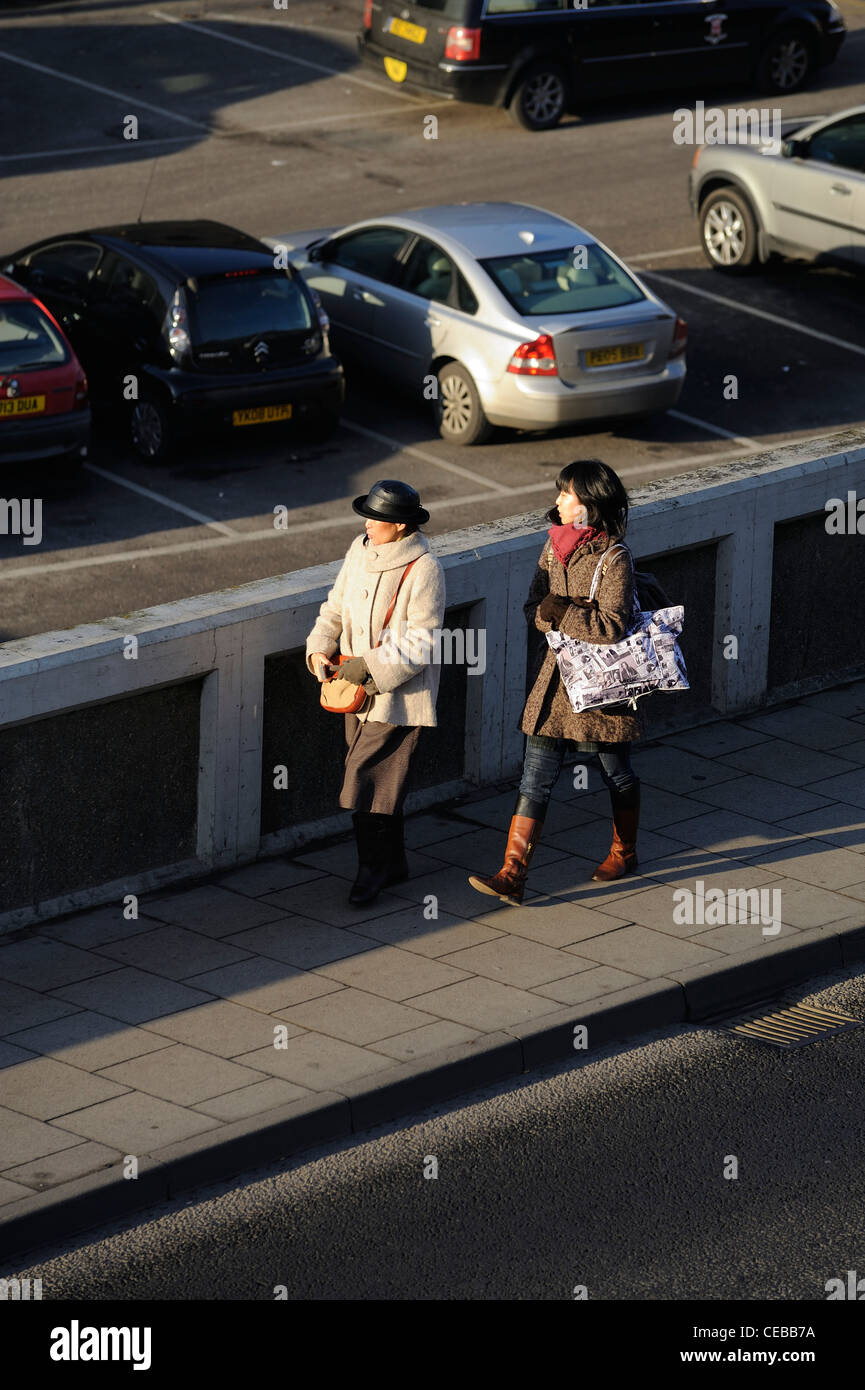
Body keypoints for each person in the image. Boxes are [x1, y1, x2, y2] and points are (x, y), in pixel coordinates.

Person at [469, 458, 646, 906]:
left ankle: (624, 851)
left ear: (588, 502)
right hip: (554, 685)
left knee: (615, 773)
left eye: (566, 493)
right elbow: (533, 606)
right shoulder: (552, 548)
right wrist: (547, 616)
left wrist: (563, 613)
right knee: (534, 780)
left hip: (600, 689)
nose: (558, 501)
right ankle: (513, 873)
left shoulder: (614, 557)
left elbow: (612, 626)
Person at [307, 480, 446, 906]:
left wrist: (368, 667)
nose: (369, 523)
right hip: (354, 692)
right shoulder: (359, 549)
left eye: (378, 518)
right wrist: (318, 647)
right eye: (368, 515)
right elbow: (334, 605)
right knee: (384, 784)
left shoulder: (425, 568)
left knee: (365, 778)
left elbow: (425, 642)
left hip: (397, 698)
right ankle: (395, 862)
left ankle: (371, 870)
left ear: (400, 525)